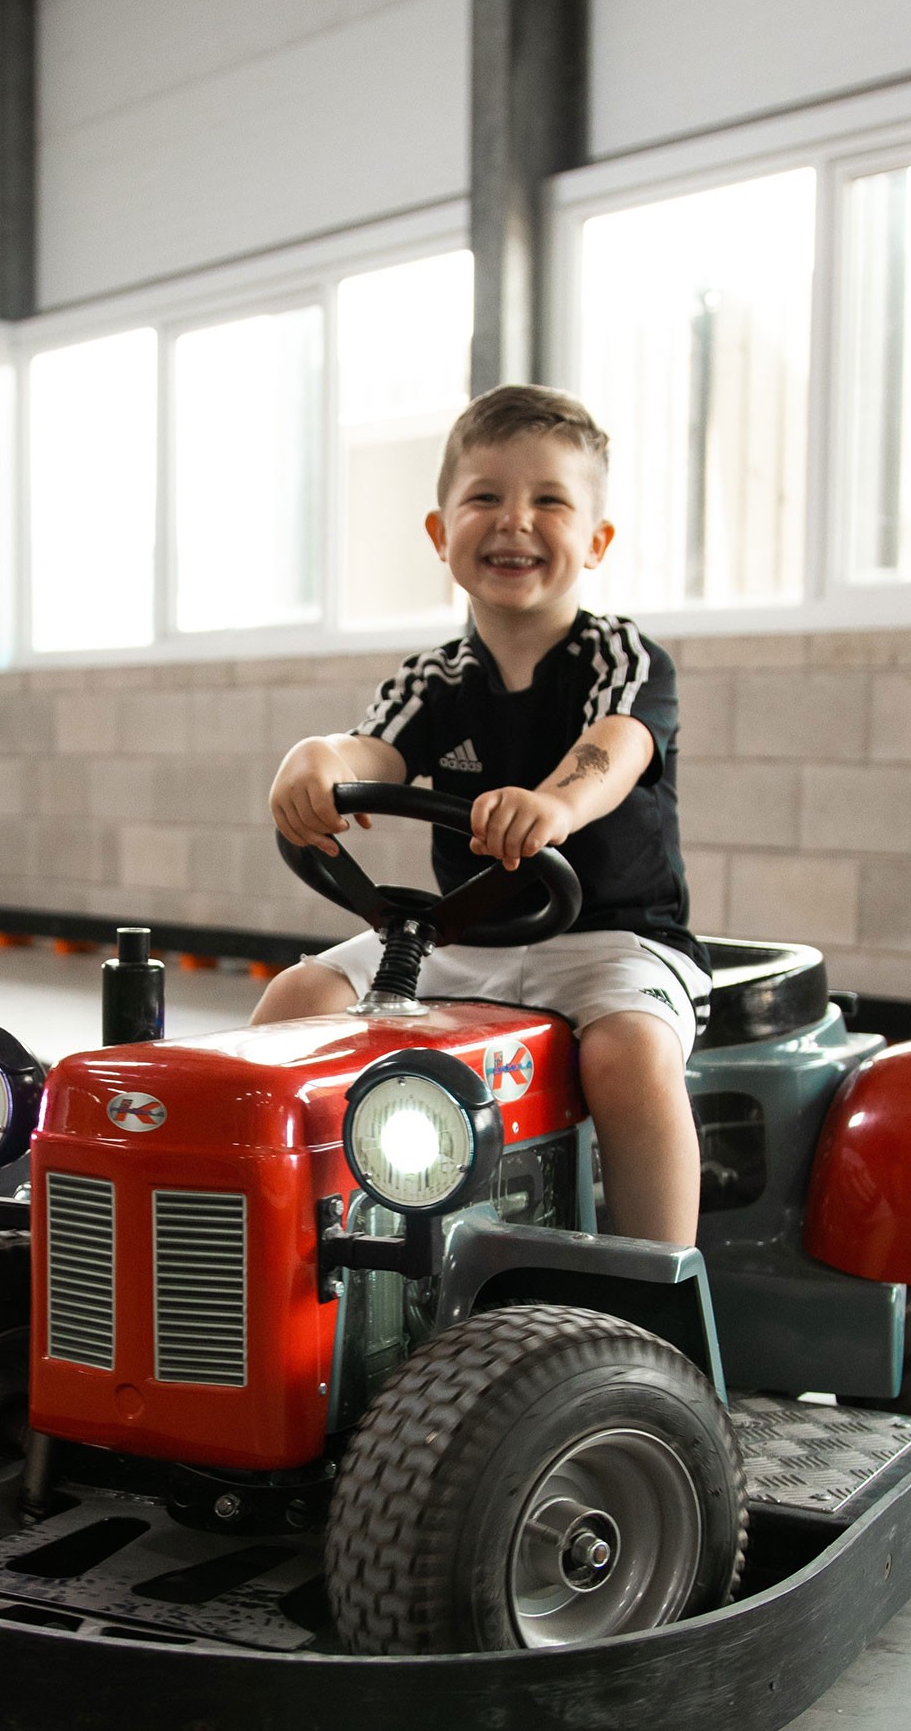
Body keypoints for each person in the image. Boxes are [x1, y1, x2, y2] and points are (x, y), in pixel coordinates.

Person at [253, 383, 709, 1248]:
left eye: (549, 500)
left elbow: (613, 749)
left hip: (615, 944)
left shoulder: (622, 656)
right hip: (456, 941)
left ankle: (659, 1292)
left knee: (629, 1057)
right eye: (484, 498)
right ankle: (271, 1249)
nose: (515, 522)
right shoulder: (433, 678)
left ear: (596, 539)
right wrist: (316, 757)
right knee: (299, 993)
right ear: (440, 533)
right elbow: (370, 751)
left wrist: (553, 804)